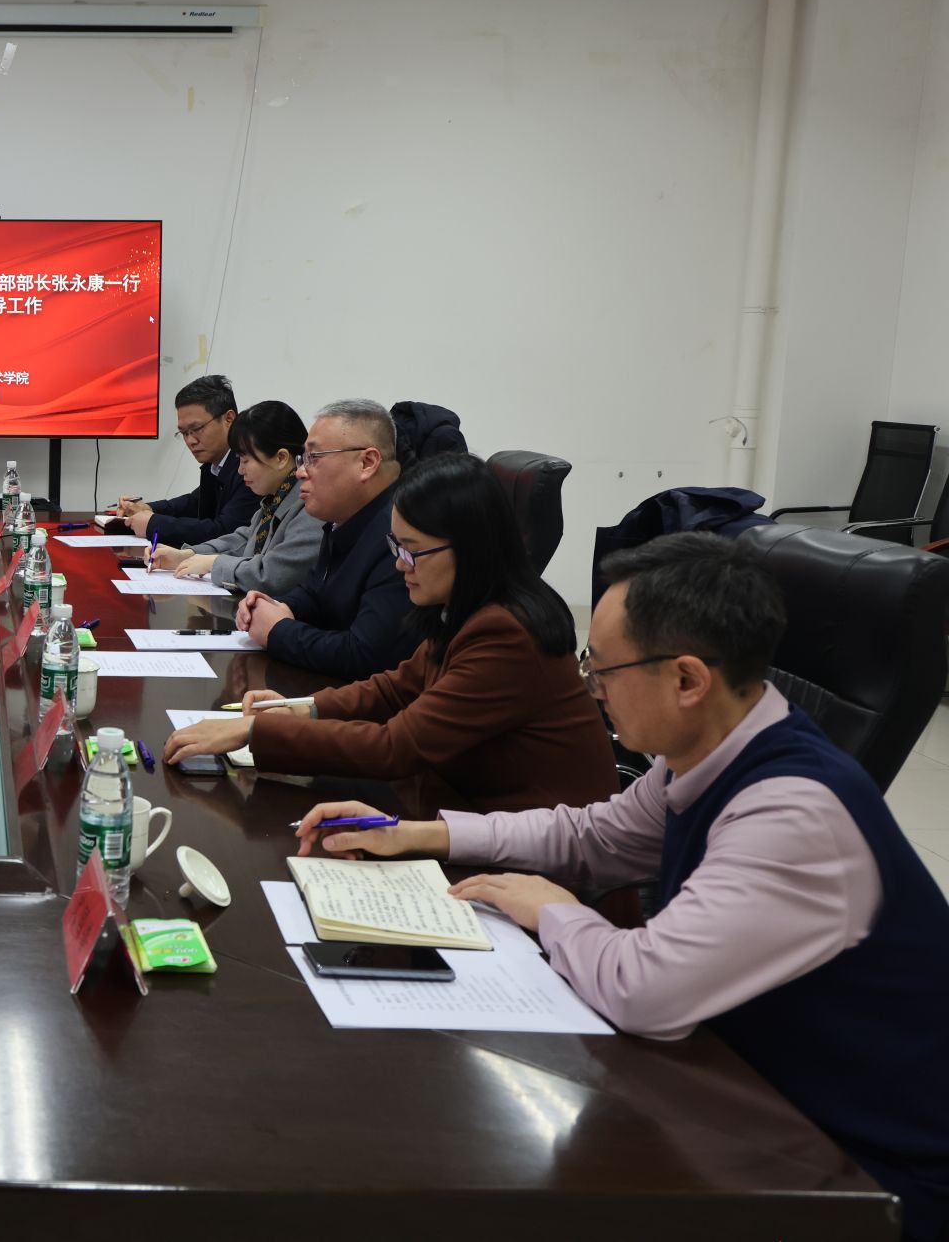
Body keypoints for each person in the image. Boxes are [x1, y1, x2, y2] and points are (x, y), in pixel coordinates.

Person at [294, 533, 949, 1241]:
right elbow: (593, 836)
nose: (591, 688)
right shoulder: (706, 752)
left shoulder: (792, 816)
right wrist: (420, 834)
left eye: (602, 667)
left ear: (688, 680)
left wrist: (556, 913)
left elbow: (646, 991)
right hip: (744, 1096)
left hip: (859, 1178)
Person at [166, 453, 617, 813]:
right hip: (464, 806)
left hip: (537, 854)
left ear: (471, 548)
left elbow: (396, 747)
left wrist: (255, 731)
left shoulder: (506, 631)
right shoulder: (465, 609)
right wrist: (300, 708)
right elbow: (395, 688)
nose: (401, 564)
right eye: (395, 546)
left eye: (413, 551)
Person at [235, 397, 419, 679]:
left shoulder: (402, 529)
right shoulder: (345, 519)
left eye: (314, 458)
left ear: (367, 462)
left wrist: (278, 631)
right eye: (303, 459)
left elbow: (367, 655)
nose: (300, 472)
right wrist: (278, 606)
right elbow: (316, 593)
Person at [149, 400, 322, 596]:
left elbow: (272, 576)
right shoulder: (277, 497)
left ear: (281, 458)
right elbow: (245, 539)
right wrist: (187, 555)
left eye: (246, 460)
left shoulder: (312, 506)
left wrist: (214, 563)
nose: (240, 470)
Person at [114, 375, 254, 545]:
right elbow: (193, 503)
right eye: (184, 433)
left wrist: (153, 524)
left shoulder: (250, 469)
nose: (190, 441)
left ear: (229, 419)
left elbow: (224, 532)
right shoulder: (217, 463)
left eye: (197, 429)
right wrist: (147, 508)